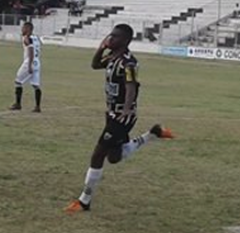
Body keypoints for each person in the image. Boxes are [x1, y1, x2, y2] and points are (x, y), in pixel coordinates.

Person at [65, 24, 174, 213]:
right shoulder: (112, 58)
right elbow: (94, 65)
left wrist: (125, 109)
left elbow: (131, 85)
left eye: (115, 37)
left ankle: (84, 201)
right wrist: (101, 48)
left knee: (98, 154)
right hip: (111, 113)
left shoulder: (128, 62)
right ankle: (152, 134)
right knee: (114, 157)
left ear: (125, 40)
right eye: (110, 35)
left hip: (122, 116)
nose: (111, 38)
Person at [9, 21, 42, 112]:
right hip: (37, 62)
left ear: (28, 29)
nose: (22, 30)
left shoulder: (27, 38)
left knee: (18, 81)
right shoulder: (36, 38)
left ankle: (18, 104)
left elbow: (31, 50)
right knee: (36, 85)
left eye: (23, 28)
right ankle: (37, 106)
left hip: (29, 62)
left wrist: (29, 65)